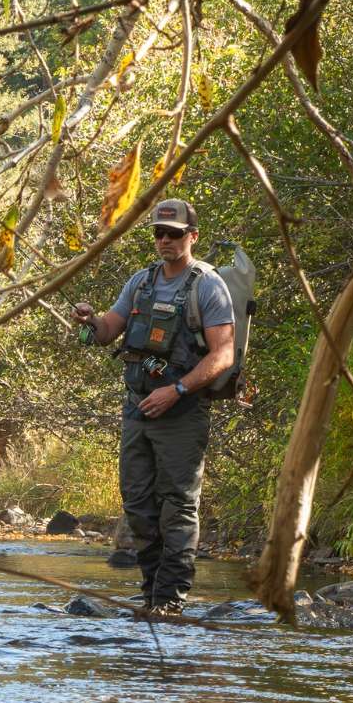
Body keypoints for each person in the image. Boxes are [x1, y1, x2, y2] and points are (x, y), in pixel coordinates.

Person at [71, 198, 234, 615]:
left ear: (192, 237)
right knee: (137, 504)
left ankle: (169, 601)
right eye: (159, 233)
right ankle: (150, 593)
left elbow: (223, 356)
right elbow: (108, 331)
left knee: (178, 504)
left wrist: (176, 391)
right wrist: (89, 319)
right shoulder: (140, 283)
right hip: (136, 409)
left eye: (174, 233)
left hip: (182, 412)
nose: (165, 240)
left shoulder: (208, 286)